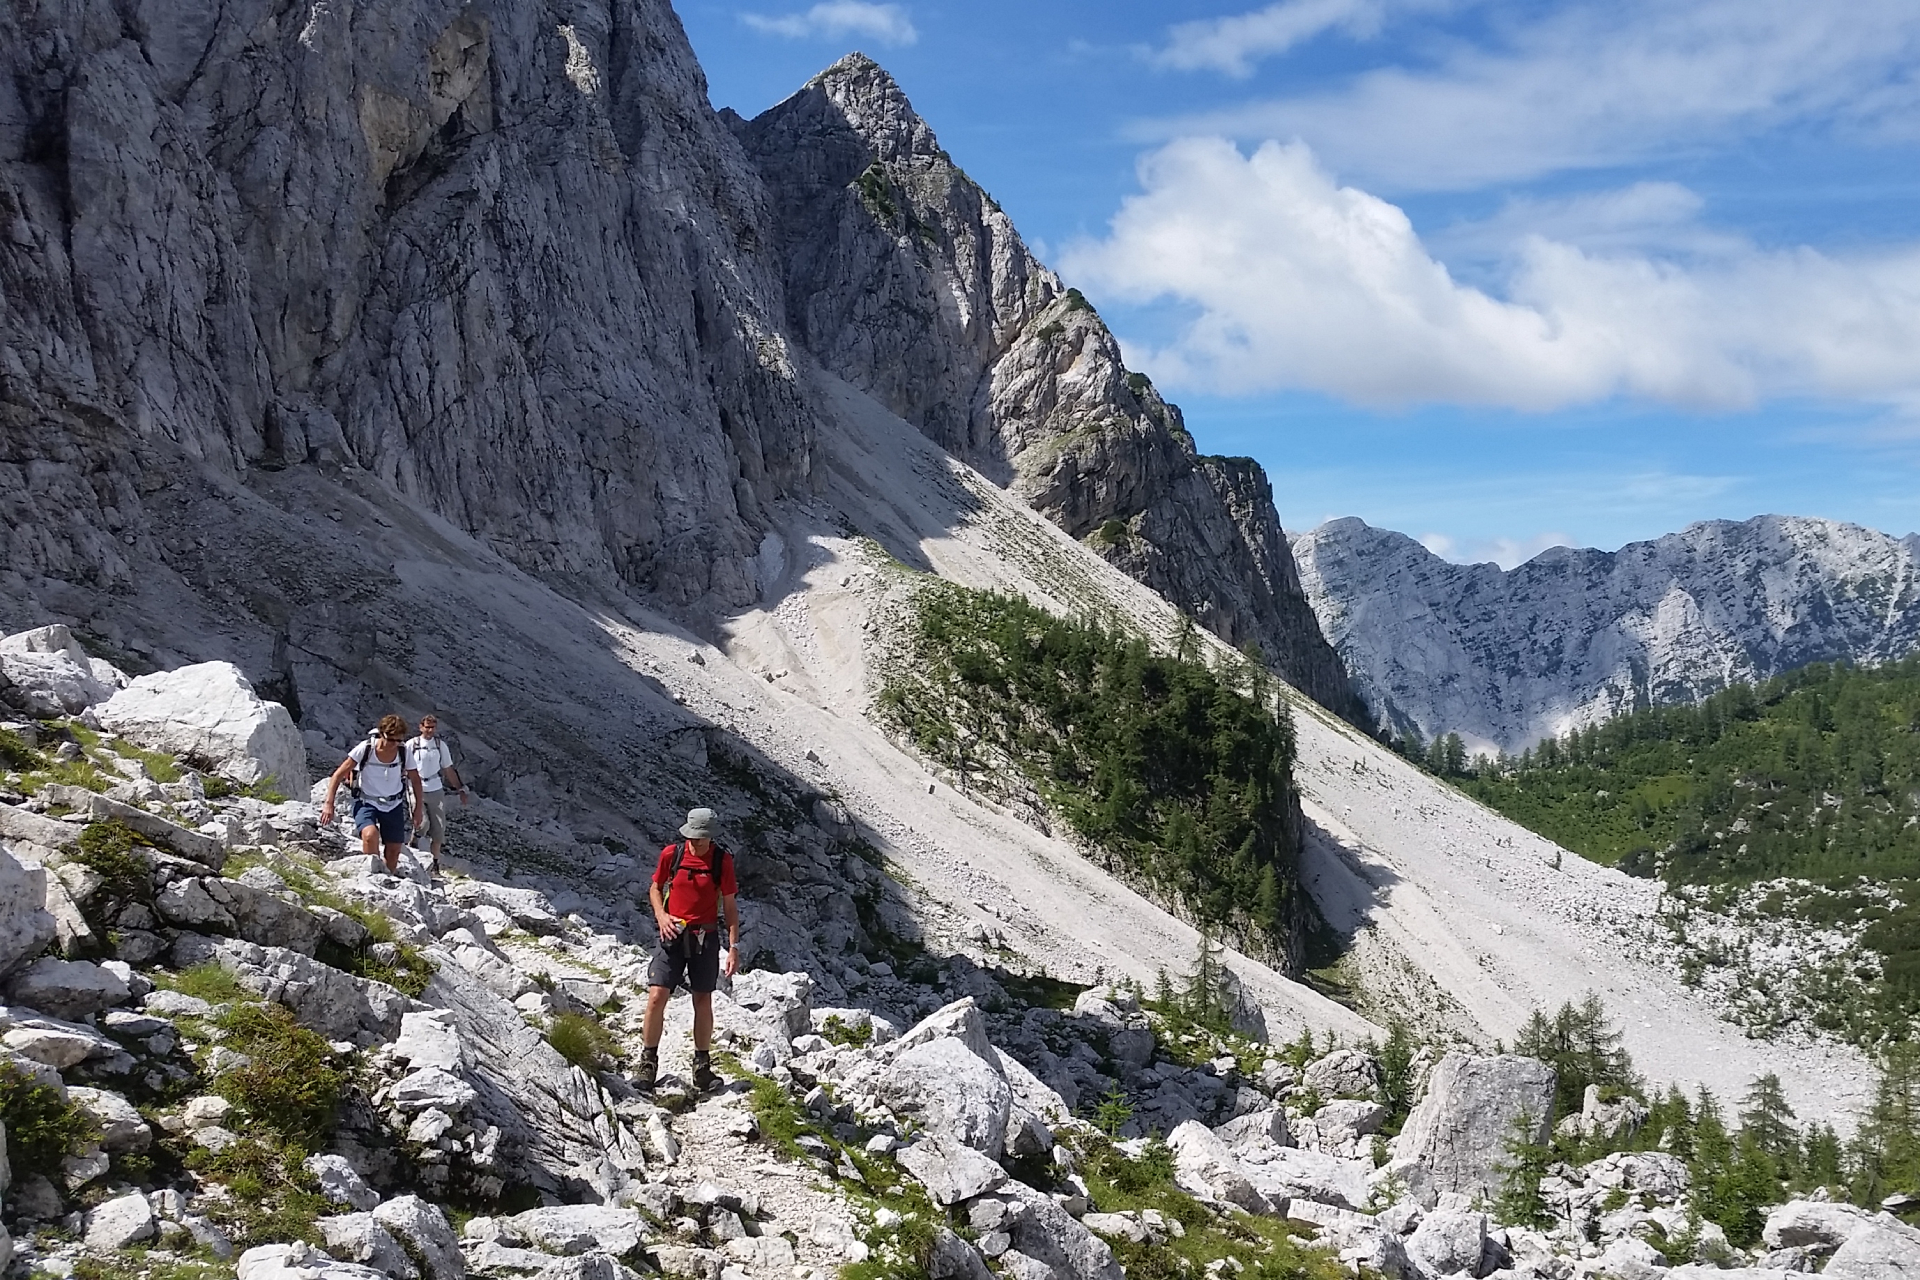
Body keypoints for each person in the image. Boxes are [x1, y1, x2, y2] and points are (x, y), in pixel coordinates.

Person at [637, 807, 740, 1092]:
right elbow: (655, 888)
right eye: (692, 837)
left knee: (702, 1000)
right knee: (657, 994)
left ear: (711, 836)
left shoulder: (722, 861)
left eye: (701, 838)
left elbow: (730, 906)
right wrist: (661, 916)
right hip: (672, 934)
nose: (696, 842)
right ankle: (648, 1062)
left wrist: (733, 947)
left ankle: (702, 1067)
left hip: (705, 938)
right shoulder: (673, 854)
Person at [319, 715, 425, 874]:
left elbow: (416, 780)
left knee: (394, 848)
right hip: (366, 801)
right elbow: (338, 774)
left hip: (393, 804)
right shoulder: (366, 748)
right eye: (391, 740)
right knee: (370, 835)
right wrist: (329, 804)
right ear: (382, 733)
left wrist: (418, 810)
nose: (395, 744)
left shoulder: (403, 752)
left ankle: (387, 876)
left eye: (399, 740)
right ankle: (372, 873)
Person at [406, 714, 468, 873]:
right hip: (415, 786)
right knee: (423, 823)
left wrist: (459, 788)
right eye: (427, 727)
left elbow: (448, 769)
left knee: (438, 829)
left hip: (435, 787)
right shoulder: (411, 745)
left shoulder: (441, 746)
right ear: (421, 727)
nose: (429, 730)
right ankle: (414, 843)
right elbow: (402, 765)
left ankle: (435, 863)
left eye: (432, 727)